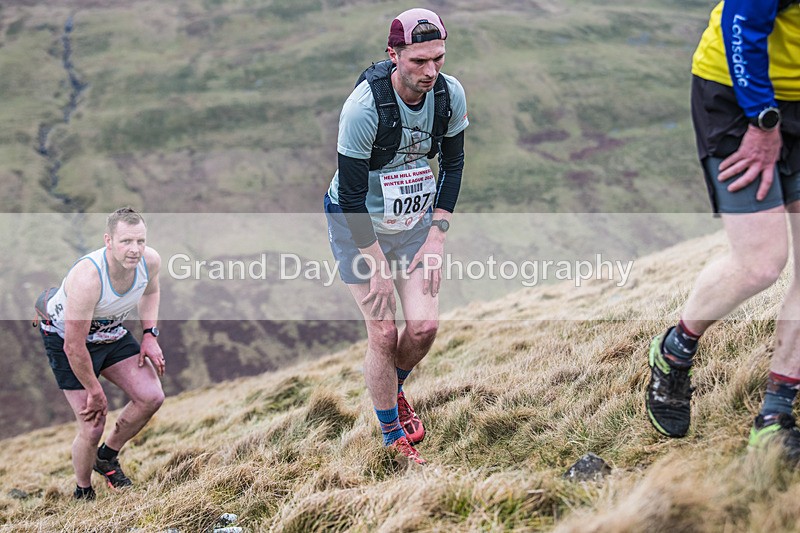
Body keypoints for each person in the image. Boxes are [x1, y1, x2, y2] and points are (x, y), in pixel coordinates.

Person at [646, 0, 800, 455]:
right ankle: (674, 350)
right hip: (738, 94)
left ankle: (776, 414)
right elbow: (741, 21)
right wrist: (762, 120)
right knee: (760, 263)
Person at [324, 8, 468, 464]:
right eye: (418, 61)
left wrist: (437, 238)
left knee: (423, 328)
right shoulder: (365, 108)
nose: (430, 71)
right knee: (383, 333)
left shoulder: (449, 95)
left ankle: (392, 387)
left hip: (413, 223)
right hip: (357, 223)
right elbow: (349, 194)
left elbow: (454, 165)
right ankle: (393, 438)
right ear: (394, 55)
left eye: (438, 59)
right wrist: (376, 265)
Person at [37, 207, 165, 499]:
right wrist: (94, 391)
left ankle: (106, 457)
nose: (135, 250)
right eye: (126, 242)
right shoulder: (88, 278)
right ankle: (83, 491)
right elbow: (73, 345)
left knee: (151, 397)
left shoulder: (150, 261)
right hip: (66, 339)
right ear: (108, 241)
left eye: (140, 241)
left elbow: (151, 292)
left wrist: (149, 335)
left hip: (111, 333)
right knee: (93, 424)